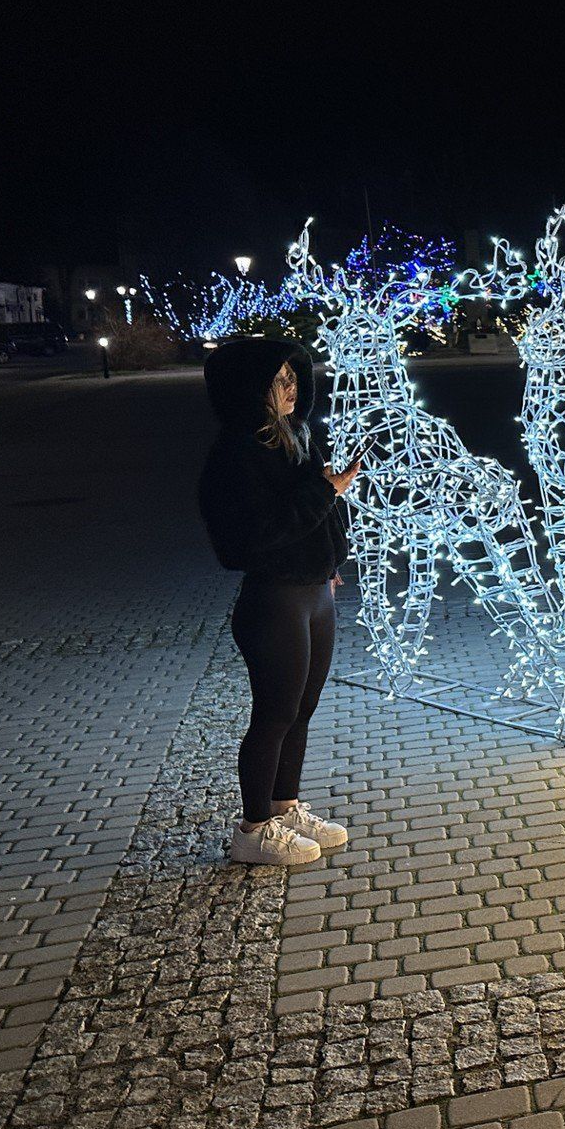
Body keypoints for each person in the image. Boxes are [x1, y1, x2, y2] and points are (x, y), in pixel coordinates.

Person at [198, 337, 361, 867]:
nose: (290, 391)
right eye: (278, 383)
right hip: (274, 601)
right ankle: (253, 828)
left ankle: (284, 807)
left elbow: (316, 520)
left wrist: (329, 564)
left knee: (302, 711)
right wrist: (325, 491)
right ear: (252, 390)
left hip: (314, 593)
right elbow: (246, 541)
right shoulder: (234, 456)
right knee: (275, 713)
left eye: (294, 380)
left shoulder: (296, 438)